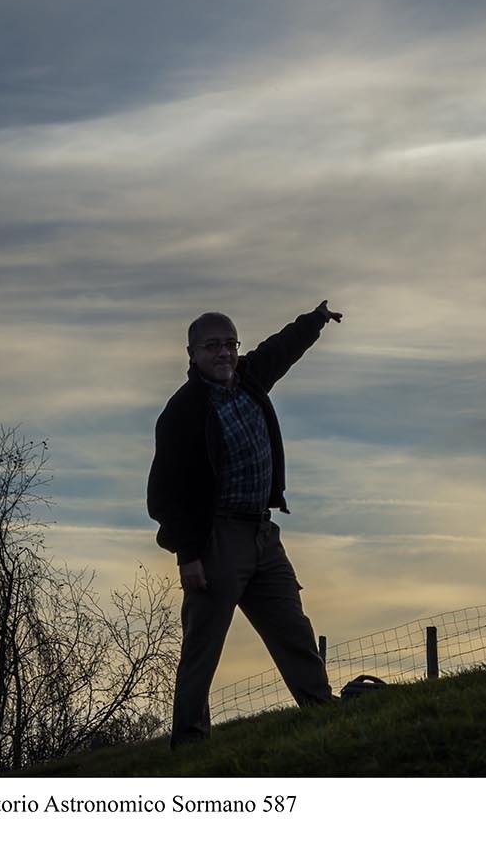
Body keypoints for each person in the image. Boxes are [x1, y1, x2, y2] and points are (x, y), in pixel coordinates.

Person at [148, 300, 344, 747]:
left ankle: (322, 711)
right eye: (212, 346)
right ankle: (190, 743)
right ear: (192, 353)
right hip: (216, 540)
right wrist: (188, 555)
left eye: (230, 344)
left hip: (263, 534)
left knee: (293, 629)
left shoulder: (251, 379)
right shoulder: (182, 412)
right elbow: (165, 494)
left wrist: (315, 320)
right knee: (203, 647)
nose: (224, 353)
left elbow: (281, 348)